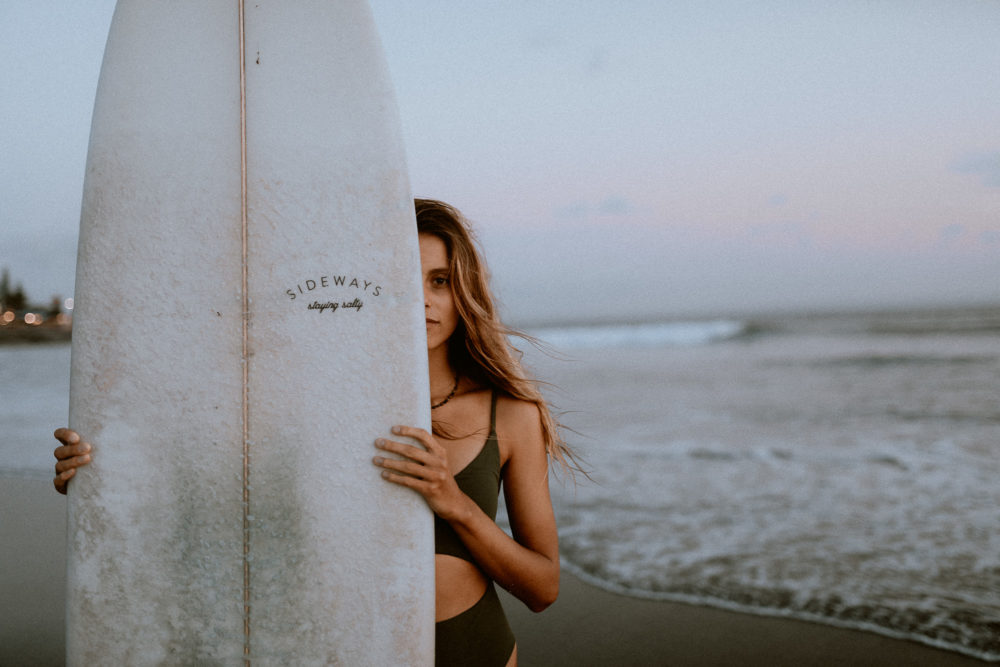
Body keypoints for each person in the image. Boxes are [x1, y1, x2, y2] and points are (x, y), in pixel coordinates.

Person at [53, 198, 572, 667]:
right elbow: (208, 490)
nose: (424, 301)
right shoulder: (318, 402)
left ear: (465, 291)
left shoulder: (510, 414)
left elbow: (542, 587)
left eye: (440, 281)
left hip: (474, 649)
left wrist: (454, 503)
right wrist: (105, 473)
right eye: (403, 281)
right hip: (344, 648)